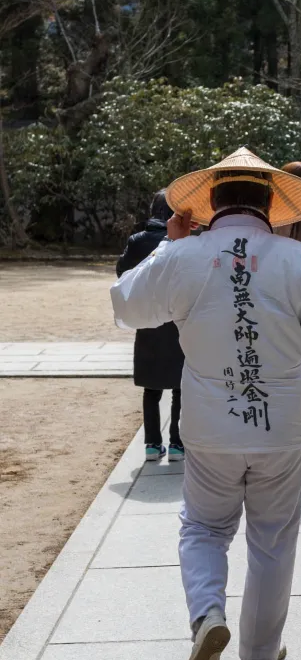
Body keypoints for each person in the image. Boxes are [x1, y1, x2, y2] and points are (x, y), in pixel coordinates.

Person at [111, 146, 301, 660]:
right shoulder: (300, 262)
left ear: (210, 204)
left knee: (204, 526)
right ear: (271, 204)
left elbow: (127, 305)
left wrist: (170, 246)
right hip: (283, 424)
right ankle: (257, 652)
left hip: (208, 423)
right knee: (273, 538)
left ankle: (207, 615)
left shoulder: (184, 254)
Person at [116, 190, 185, 461]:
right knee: (181, 386)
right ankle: (178, 444)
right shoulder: (186, 241)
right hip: (178, 319)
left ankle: (152, 445)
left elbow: (122, 271)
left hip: (148, 320)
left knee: (151, 388)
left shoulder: (138, 241)